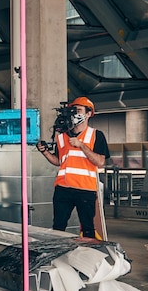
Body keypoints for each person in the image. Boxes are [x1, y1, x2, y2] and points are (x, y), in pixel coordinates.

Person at [37, 96, 109, 238]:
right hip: (63, 188)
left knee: (88, 227)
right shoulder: (62, 137)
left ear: (88, 114)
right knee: (58, 226)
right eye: (73, 110)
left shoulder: (96, 135)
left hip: (85, 189)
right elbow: (59, 161)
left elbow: (100, 162)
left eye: (79, 110)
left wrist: (82, 145)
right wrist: (44, 152)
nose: (75, 113)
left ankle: (87, 256)